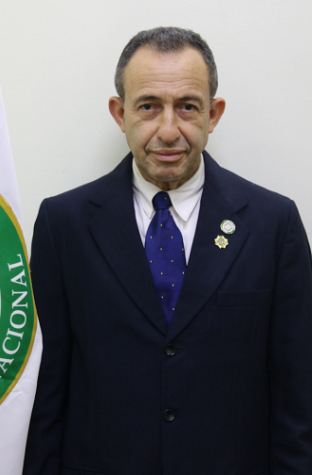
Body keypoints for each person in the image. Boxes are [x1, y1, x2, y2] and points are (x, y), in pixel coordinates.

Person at [23, 27, 312, 475]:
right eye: (149, 106)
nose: (169, 130)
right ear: (120, 113)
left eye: (188, 106)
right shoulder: (63, 224)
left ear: (213, 114)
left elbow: (298, 397)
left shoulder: (274, 224)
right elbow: (46, 393)